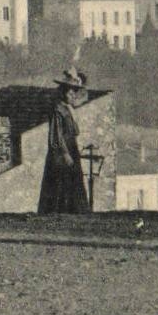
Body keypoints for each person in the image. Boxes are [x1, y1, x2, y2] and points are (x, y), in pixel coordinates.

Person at [37, 67, 91, 214]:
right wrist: (65, 153)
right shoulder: (58, 109)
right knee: (60, 180)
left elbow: (75, 131)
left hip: (70, 147)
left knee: (71, 179)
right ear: (63, 92)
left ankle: (72, 210)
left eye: (74, 91)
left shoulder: (67, 109)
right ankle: (59, 211)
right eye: (70, 91)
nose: (73, 94)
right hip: (61, 151)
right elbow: (56, 134)